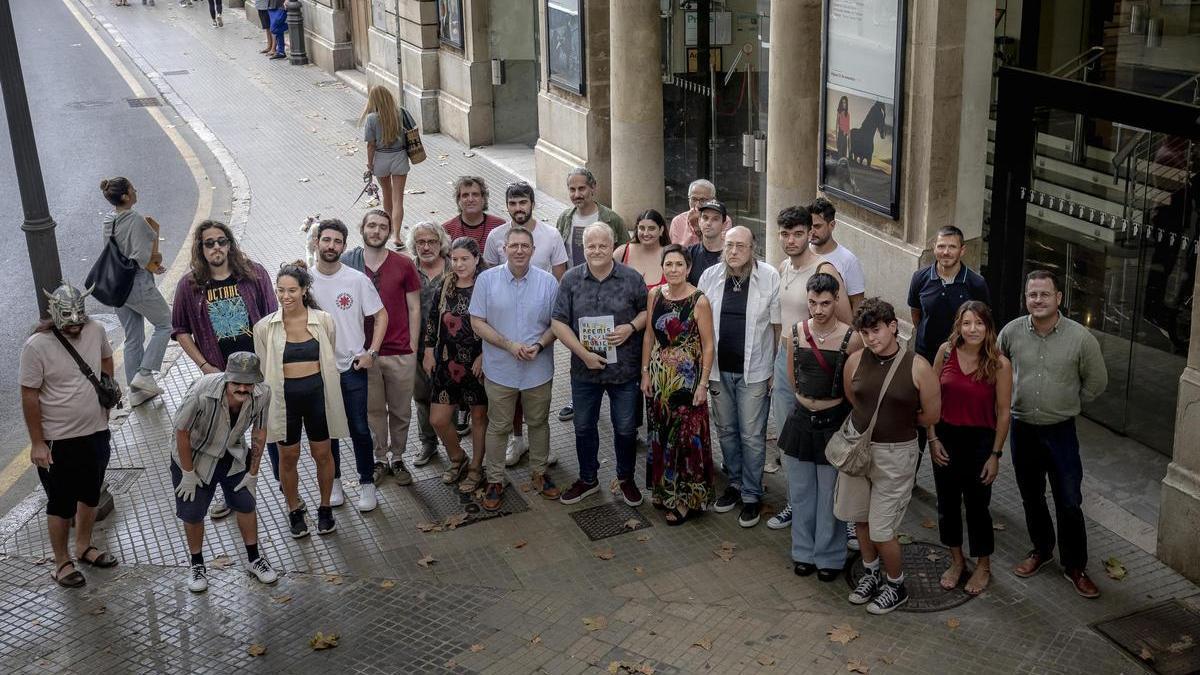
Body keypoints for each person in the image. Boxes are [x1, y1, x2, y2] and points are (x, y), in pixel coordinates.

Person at [999, 270, 1108, 599]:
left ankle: (1075, 566)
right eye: (1032, 294)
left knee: (1069, 500)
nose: (1038, 300)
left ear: (1059, 298)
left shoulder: (1081, 338)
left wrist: (1071, 402)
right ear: (1025, 299)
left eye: (1045, 294)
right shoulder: (1011, 333)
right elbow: (996, 369)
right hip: (1022, 429)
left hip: (1061, 432)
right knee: (1031, 496)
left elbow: (1097, 382)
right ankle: (1042, 550)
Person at [838, 298, 941, 615]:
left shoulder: (918, 367)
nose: (871, 338)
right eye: (865, 332)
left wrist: (897, 422)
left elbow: (931, 414)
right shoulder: (855, 361)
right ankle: (871, 574)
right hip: (858, 451)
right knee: (860, 520)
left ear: (893, 327)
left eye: (877, 330)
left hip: (896, 455)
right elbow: (853, 397)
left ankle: (896, 586)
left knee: (882, 530)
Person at [171, 220, 278, 520]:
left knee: (266, 429)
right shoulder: (189, 285)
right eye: (209, 243)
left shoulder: (255, 275)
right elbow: (180, 330)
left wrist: (271, 363)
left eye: (221, 241)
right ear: (201, 248)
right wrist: (205, 366)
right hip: (220, 377)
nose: (216, 247)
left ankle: (279, 488)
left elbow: (272, 318)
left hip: (257, 372)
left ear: (230, 244)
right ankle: (233, 494)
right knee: (225, 435)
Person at [20, 283, 119, 588]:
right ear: (55, 315)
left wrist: (106, 392)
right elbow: (29, 395)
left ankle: (84, 547)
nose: (75, 325)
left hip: (96, 432)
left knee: (90, 494)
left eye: (79, 320)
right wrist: (37, 443)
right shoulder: (36, 346)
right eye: (69, 321)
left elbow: (106, 360)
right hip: (57, 440)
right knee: (61, 504)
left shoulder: (96, 330)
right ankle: (62, 562)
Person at [552, 224, 648, 505]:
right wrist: (583, 353)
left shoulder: (631, 278)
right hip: (585, 371)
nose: (596, 251)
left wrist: (631, 327)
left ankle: (626, 479)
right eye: (591, 246)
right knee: (583, 426)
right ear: (583, 248)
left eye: (602, 245)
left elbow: (647, 311)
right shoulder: (570, 279)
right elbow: (558, 322)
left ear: (613, 245)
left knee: (626, 428)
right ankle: (588, 479)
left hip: (624, 371)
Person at [469, 227, 562, 510]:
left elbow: (557, 324)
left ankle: (539, 472)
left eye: (525, 246)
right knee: (498, 426)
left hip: (538, 368)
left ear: (533, 250)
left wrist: (541, 345)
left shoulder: (548, 282)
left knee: (538, 422)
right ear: (504, 249)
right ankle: (495, 479)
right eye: (514, 245)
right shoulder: (486, 280)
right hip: (500, 369)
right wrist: (508, 345)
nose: (519, 250)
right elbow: (477, 321)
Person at [777, 273, 863, 580]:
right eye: (813, 302)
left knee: (829, 495)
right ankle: (803, 552)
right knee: (801, 493)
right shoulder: (797, 332)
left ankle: (829, 556)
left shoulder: (852, 338)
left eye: (825, 303)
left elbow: (855, 385)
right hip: (801, 422)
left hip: (833, 425)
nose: (818, 309)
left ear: (837, 300)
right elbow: (792, 377)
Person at [171, 353, 279, 593]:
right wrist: (187, 473)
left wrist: (253, 473)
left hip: (232, 452)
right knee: (192, 512)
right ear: (227, 378)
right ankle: (197, 564)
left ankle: (254, 558)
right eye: (236, 382)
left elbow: (259, 431)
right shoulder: (201, 390)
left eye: (248, 383)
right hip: (194, 456)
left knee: (246, 503)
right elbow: (181, 432)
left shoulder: (263, 393)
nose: (242, 388)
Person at [254, 263, 348, 538]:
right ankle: (294, 508)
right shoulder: (264, 327)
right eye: (281, 290)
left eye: (292, 290)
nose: (286, 296)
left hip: (317, 398)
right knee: (288, 456)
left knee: (323, 454)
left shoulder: (324, 320)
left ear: (305, 290)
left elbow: (329, 355)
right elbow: (263, 368)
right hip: (285, 402)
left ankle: (325, 507)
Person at [697, 226, 780, 528]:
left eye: (741, 246)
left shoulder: (769, 276)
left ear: (753, 247)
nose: (733, 251)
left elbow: (777, 327)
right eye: (729, 245)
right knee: (727, 431)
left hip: (755, 372)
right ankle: (734, 483)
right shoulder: (709, 276)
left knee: (752, 436)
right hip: (718, 371)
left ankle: (752, 494)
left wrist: (774, 369)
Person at [928, 301, 1012, 596]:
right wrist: (932, 438)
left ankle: (983, 565)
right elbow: (931, 397)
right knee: (947, 505)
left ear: (988, 327)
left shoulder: (999, 363)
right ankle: (957, 560)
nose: (972, 329)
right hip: (945, 437)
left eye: (979, 323)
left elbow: (1004, 412)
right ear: (958, 326)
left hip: (980, 442)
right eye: (966, 323)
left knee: (978, 507)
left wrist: (995, 455)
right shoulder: (945, 352)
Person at [309, 219, 392, 513]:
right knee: (327, 430)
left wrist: (372, 352)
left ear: (344, 246)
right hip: (318, 370)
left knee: (359, 427)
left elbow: (381, 315)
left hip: (353, 367)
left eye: (337, 241)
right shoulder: (305, 282)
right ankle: (334, 483)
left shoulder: (356, 280)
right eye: (326, 240)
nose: (331, 246)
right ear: (317, 242)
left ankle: (367, 483)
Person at [483, 182, 568, 465]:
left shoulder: (551, 235)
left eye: (523, 202)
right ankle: (516, 440)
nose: (518, 208)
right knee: (507, 397)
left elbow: (560, 281)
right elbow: (490, 281)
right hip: (504, 330)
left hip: (540, 328)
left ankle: (539, 450)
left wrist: (548, 333)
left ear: (532, 203)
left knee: (537, 397)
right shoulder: (496, 236)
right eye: (513, 203)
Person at [767, 206, 851, 483]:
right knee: (788, 433)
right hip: (784, 356)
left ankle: (826, 500)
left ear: (809, 233)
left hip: (815, 361)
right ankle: (796, 498)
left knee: (818, 437)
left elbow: (847, 323)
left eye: (798, 233)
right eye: (785, 234)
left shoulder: (824, 269)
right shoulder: (783, 266)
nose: (791, 240)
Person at [340, 211, 422, 492]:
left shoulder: (404, 264)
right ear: (362, 228)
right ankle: (379, 459)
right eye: (372, 225)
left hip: (399, 351)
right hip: (364, 353)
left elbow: (414, 308)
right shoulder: (347, 265)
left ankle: (398, 457)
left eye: (383, 227)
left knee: (401, 410)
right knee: (373, 410)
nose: (376, 231)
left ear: (390, 231)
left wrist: (412, 347)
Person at [641, 245, 715, 524]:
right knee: (660, 434)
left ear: (688, 268)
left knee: (685, 439)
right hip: (660, 379)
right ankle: (664, 491)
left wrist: (703, 383)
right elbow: (649, 336)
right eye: (668, 264)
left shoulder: (699, 301)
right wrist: (645, 372)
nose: (673, 270)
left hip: (687, 381)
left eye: (679, 264)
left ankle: (686, 500)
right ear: (662, 267)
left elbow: (708, 346)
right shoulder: (654, 295)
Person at [98, 177, 171, 407]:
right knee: (165, 323)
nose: (136, 191)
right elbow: (140, 257)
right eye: (132, 189)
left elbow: (121, 251)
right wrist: (154, 264)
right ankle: (145, 373)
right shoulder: (136, 220)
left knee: (134, 337)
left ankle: (136, 392)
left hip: (116, 287)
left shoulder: (109, 220)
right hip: (137, 284)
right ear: (125, 196)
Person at [424, 237, 489, 493]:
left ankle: (476, 468)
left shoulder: (486, 285)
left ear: (476, 258)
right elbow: (433, 318)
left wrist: (485, 355)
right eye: (454, 259)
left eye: (465, 259)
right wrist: (428, 350)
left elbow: (497, 322)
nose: (459, 264)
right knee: (438, 419)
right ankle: (458, 457)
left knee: (478, 417)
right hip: (446, 361)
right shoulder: (446, 284)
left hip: (477, 363)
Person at [907, 225, 990, 364]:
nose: (946, 252)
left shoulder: (976, 283)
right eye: (941, 246)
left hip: (962, 356)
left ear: (962, 250)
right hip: (925, 355)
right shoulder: (919, 278)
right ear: (934, 248)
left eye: (952, 247)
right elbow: (916, 315)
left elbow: (985, 321)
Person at [406, 221, 453, 463]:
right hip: (417, 346)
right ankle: (428, 443)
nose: (426, 247)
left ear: (441, 243)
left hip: (452, 348)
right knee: (422, 396)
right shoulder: (408, 269)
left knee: (450, 398)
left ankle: (454, 446)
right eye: (420, 242)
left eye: (432, 241)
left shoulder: (454, 267)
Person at [362, 87, 410, 243]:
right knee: (398, 199)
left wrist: (370, 164)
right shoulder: (400, 113)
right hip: (399, 156)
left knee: (386, 194)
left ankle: (390, 229)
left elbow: (371, 145)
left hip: (381, 158)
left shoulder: (371, 118)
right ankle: (397, 236)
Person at [555, 166, 629, 269]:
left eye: (581, 188)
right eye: (572, 189)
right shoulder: (564, 219)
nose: (577, 195)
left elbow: (627, 254)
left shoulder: (612, 220)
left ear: (593, 187)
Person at [809, 197, 867, 311]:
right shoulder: (802, 252)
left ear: (832, 225)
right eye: (809, 226)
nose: (812, 231)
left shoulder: (848, 260)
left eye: (817, 226)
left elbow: (857, 303)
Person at [442, 176, 505, 253]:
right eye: (465, 195)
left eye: (475, 194)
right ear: (459, 200)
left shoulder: (499, 226)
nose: (470, 199)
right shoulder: (446, 230)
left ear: (483, 198)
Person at [613, 209, 669, 290]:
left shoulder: (670, 255)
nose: (646, 233)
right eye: (642, 228)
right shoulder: (622, 252)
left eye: (651, 228)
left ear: (661, 230)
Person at [668, 179, 733, 247]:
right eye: (694, 199)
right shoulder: (677, 221)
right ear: (689, 199)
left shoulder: (723, 220)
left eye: (703, 200)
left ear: (713, 200)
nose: (698, 205)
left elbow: (718, 249)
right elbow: (674, 250)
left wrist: (697, 227)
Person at [686, 200, 729, 286]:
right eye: (705, 218)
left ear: (724, 224)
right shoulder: (690, 253)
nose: (709, 223)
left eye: (715, 219)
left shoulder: (731, 254)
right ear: (699, 221)